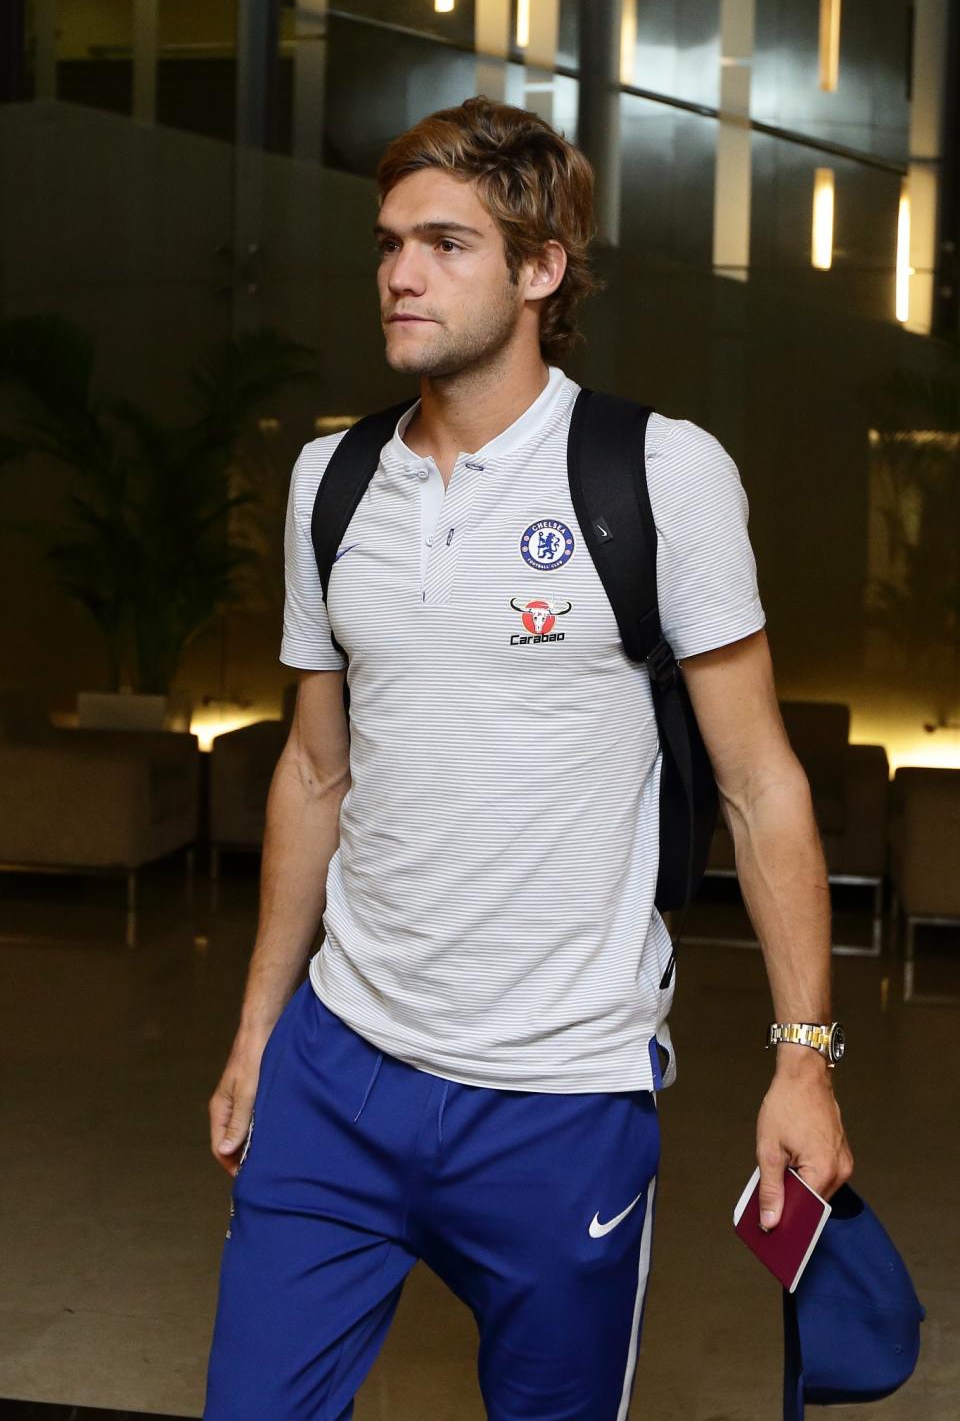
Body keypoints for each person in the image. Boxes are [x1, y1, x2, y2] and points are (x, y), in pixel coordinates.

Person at [203, 95, 853, 1421]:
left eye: (445, 243)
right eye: (389, 241)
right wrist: (261, 1031)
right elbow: (314, 774)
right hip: (340, 1072)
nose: (399, 273)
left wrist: (804, 1058)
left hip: (559, 1098)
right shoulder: (331, 483)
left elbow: (760, 781)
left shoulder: (658, 474)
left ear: (541, 269)